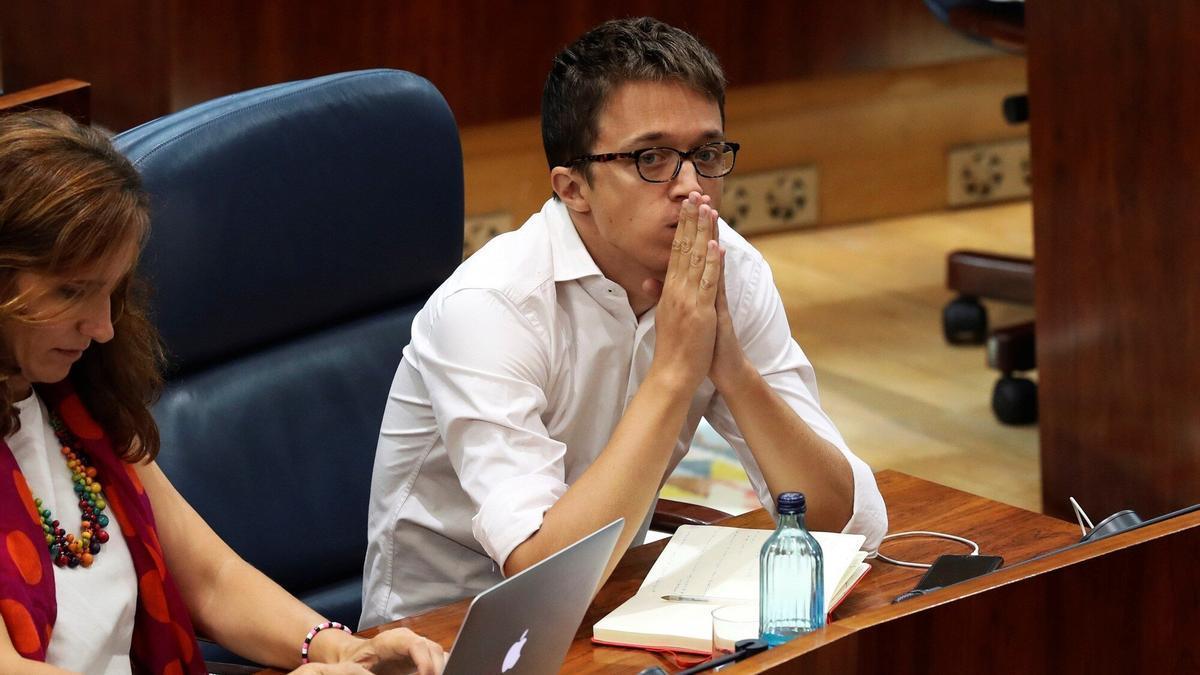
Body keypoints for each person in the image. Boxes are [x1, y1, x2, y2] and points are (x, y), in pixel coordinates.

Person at [360, 17, 889, 625]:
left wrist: (735, 373)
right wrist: (673, 372)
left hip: (614, 599)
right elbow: (541, 578)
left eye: (707, 154)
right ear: (572, 188)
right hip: (441, 634)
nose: (692, 188)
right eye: (652, 158)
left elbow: (853, 526)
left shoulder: (727, 269)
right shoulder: (490, 306)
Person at [0, 110, 445, 675]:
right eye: (71, 292)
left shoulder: (71, 399)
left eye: (111, 294)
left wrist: (342, 648)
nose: (102, 327)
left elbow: (211, 582)